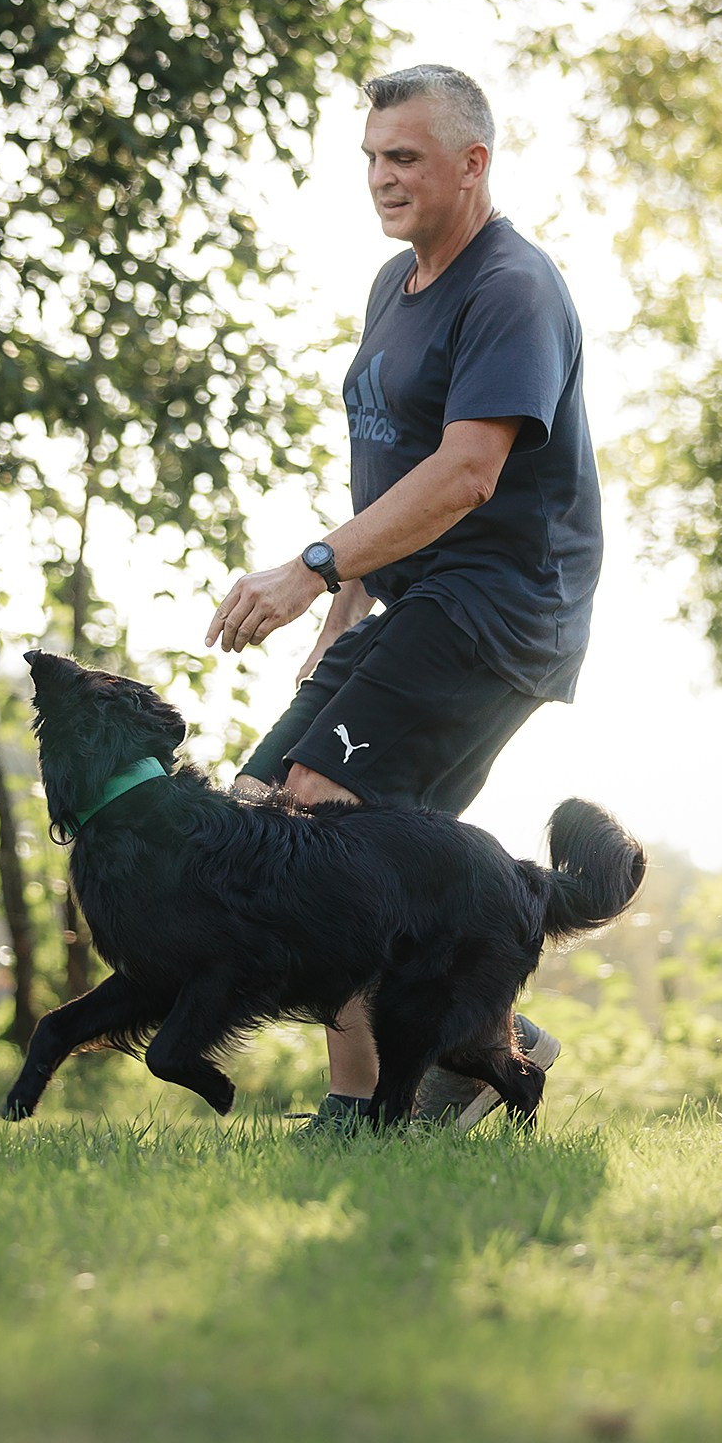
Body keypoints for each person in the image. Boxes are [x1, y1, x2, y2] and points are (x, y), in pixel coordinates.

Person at [205, 64, 603, 1131]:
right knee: (258, 823)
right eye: (372, 159)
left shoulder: (511, 288)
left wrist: (310, 570)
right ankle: (476, 1046)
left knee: (328, 833)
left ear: (471, 164)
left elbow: (468, 471)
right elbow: (385, 471)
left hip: (501, 609)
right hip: (411, 605)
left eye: (405, 158)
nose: (381, 179)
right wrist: (342, 617)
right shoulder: (398, 285)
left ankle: (363, 1110)